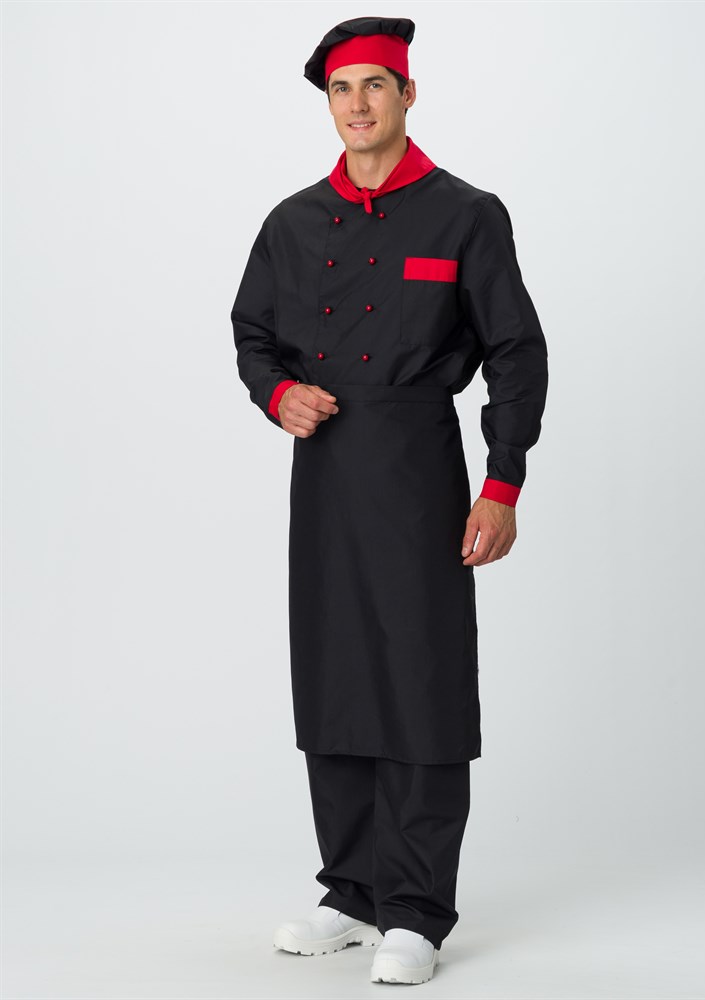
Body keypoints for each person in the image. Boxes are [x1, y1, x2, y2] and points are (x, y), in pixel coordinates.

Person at [230, 15, 549, 985]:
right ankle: (353, 892)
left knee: (420, 676)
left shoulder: (466, 215)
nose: (358, 104)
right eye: (342, 88)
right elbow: (252, 333)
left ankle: (415, 910)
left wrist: (502, 482)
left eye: (376, 84)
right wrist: (278, 393)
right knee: (334, 673)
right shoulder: (292, 222)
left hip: (419, 471)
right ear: (327, 102)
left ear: (409, 94)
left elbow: (516, 352)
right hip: (326, 474)